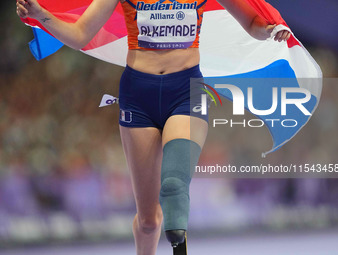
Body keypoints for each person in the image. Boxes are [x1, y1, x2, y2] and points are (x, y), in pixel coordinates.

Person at [16, 0, 291, 254]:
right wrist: (42, 16)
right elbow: (79, 35)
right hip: (138, 96)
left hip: (186, 93)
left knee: (174, 186)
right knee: (148, 221)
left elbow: (252, 22)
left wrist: (269, 30)